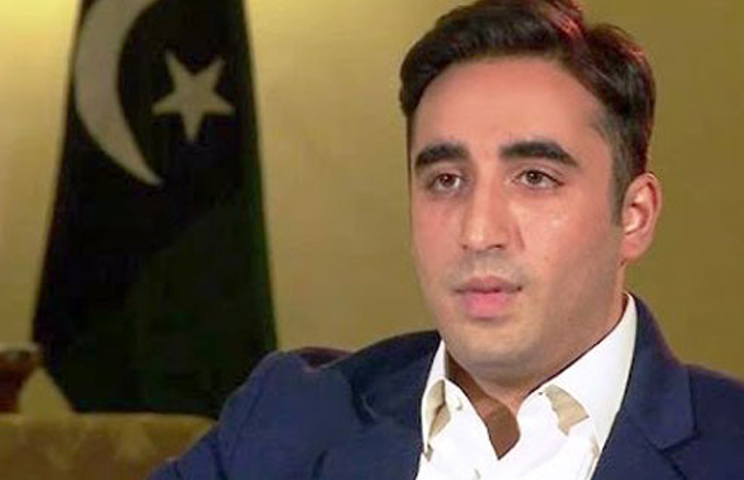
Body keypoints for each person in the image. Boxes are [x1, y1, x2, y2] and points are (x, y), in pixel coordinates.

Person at [150, 0, 744, 478]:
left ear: (634, 216)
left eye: (535, 178)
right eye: (446, 180)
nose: (478, 231)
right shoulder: (290, 417)